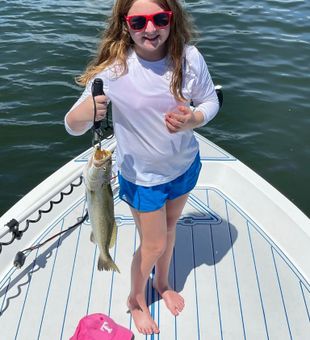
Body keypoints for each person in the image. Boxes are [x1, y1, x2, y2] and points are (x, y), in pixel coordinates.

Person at [65, 0, 219, 335]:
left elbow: (211, 101)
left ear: (171, 18)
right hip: (143, 179)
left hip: (184, 166)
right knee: (153, 244)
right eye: (139, 22)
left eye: (159, 18)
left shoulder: (189, 58)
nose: (151, 29)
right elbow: (72, 124)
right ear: (125, 24)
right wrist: (88, 109)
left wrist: (193, 119)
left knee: (171, 228)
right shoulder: (114, 71)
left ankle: (162, 283)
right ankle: (136, 300)